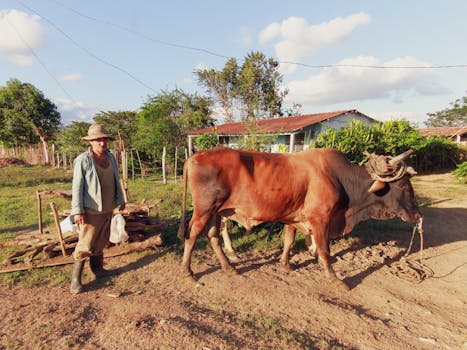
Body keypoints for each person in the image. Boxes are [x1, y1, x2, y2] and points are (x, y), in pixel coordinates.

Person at [69, 124, 125, 294]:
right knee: (86, 243)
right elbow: (76, 186)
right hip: (91, 210)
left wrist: (120, 199)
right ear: (91, 142)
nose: (102, 143)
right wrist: (77, 210)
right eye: (97, 140)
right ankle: (75, 281)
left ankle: (98, 271)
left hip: (107, 208)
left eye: (104, 139)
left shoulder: (111, 157)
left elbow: (116, 178)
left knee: (101, 241)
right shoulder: (83, 160)